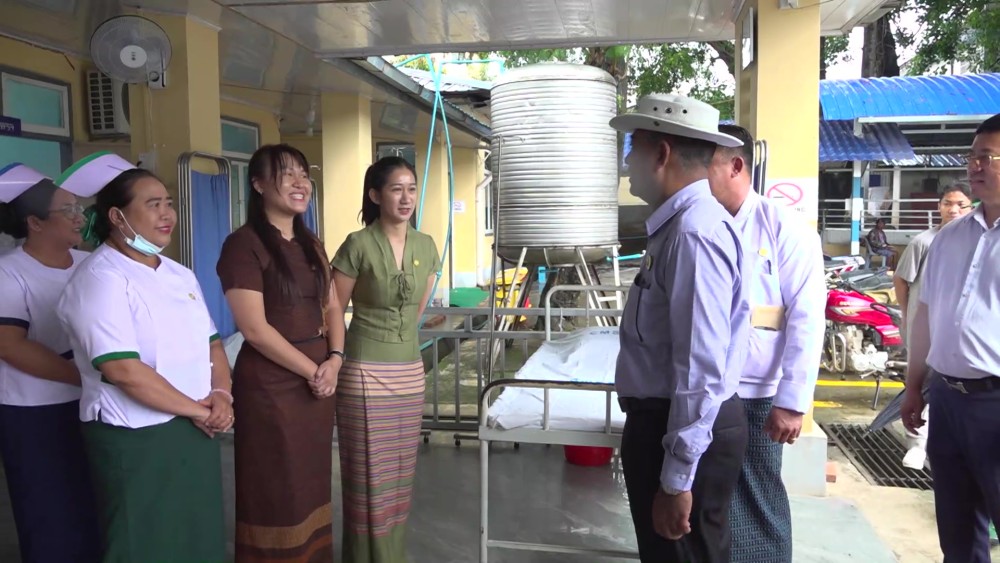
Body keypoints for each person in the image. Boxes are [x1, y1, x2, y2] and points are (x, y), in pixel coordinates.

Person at [56, 152, 231, 562]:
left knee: (196, 534)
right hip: (136, 436)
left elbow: (212, 345)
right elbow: (123, 370)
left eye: (168, 202)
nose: (167, 214)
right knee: (145, 541)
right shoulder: (100, 278)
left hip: (197, 427)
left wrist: (222, 395)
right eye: (153, 205)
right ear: (117, 217)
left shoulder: (179, 274)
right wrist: (200, 411)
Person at [610, 94, 750, 563]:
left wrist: (676, 478)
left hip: (680, 427)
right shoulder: (681, 227)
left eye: (633, 148)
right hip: (672, 424)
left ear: (662, 154)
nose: (627, 163)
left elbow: (700, 366)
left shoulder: (694, 234)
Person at [706, 126, 826, 563]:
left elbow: (807, 317)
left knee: (757, 497)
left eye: (705, 165)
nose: (696, 175)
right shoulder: (700, 225)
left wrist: (792, 402)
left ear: (736, 166)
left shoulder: (785, 229)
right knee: (710, 498)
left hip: (757, 393)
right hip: (705, 388)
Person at [217, 144, 339, 562]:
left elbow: (332, 308)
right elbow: (254, 329)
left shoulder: (311, 244)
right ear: (258, 184)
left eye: (304, 174)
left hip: (317, 382)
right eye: (287, 174)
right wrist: (314, 371)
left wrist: (335, 360)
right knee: (275, 487)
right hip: (271, 386)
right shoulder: (243, 245)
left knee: (311, 482)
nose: (300, 183)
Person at [901, 112, 1000, 563]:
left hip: (995, 403)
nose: (974, 166)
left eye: (987, 157)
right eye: (972, 156)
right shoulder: (949, 237)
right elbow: (925, 315)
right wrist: (913, 385)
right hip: (947, 399)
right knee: (958, 534)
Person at [330, 156, 439, 562]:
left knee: (399, 475)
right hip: (363, 373)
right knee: (367, 477)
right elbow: (332, 308)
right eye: (396, 189)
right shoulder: (357, 244)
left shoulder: (427, 245)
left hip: (409, 372)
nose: (406, 198)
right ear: (376, 195)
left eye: (411, 189)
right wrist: (336, 357)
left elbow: (416, 310)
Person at [0, 162, 101, 562]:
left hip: (87, 403)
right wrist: (84, 377)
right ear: (35, 223)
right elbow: (10, 345)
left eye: (80, 208)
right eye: (68, 210)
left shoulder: (89, 264)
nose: (80, 218)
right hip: (33, 411)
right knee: (47, 507)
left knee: (89, 500)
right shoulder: (9, 273)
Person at [892, 182, 973, 470]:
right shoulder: (924, 242)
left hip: (957, 333)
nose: (954, 210)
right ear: (939, 207)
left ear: (971, 208)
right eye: (948, 203)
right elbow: (901, 279)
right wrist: (907, 314)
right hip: (924, 328)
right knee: (920, 382)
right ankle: (916, 444)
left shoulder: (978, 243)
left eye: (961, 204)